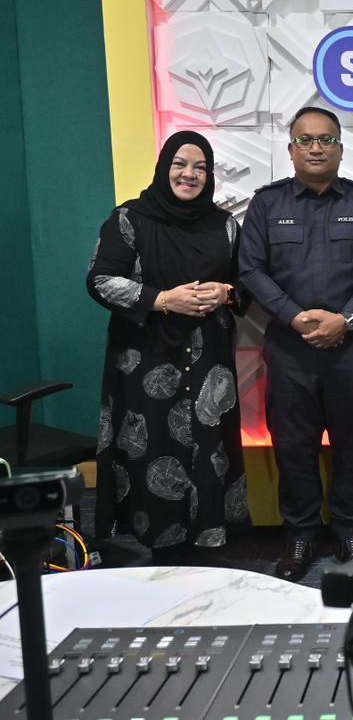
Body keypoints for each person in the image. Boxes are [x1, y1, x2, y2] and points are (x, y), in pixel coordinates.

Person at [238, 106, 353, 582]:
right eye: (305, 140)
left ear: (341, 149)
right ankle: (300, 535)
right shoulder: (267, 205)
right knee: (293, 447)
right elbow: (250, 269)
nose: (316, 148)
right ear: (291, 150)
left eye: (326, 139)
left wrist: (346, 319)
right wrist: (293, 316)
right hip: (290, 350)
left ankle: (351, 531)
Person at [88, 130, 250, 564]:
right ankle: (160, 545)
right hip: (146, 358)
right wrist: (162, 300)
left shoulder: (225, 225)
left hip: (208, 359)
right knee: (153, 443)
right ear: (164, 168)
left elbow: (247, 285)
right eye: (180, 164)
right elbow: (101, 280)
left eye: (200, 167)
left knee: (209, 446)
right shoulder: (129, 219)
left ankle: (208, 540)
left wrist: (226, 293)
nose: (189, 174)